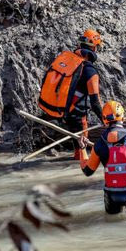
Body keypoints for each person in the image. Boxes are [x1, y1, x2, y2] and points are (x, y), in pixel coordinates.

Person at [38, 29, 105, 157]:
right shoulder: (90, 71)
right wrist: (106, 120)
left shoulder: (67, 59)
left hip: (60, 111)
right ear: (94, 48)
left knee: (77, 150)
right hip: (77, 118)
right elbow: (95, 102)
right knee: (81, 157)